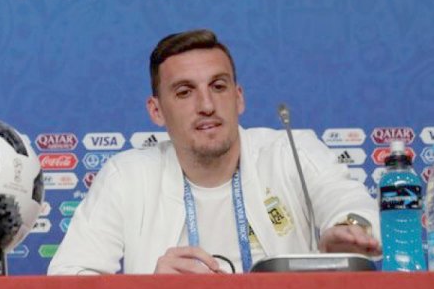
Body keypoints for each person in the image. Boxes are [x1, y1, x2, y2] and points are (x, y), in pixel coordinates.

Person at [48, 29, 381, 275]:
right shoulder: (126, 175)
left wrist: (350, 229)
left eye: (218, 87)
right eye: (184, 92)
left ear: (238, 98)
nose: (206, 105)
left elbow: (351, 205)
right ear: (156, 111)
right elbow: (69, 280)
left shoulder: (291, 151)